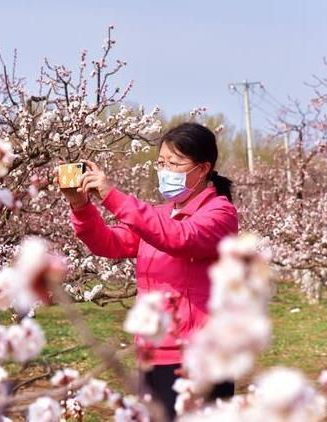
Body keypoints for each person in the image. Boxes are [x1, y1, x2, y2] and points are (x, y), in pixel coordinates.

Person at [56, 122, 239, 420]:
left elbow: (180, 238)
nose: (165, 170)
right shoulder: (159, 214)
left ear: (204, 168)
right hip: (154, 353)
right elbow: (110, 243)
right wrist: (81, 207)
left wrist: (111, 195)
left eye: (175, 163)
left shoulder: (220, 213)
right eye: (161, 162)